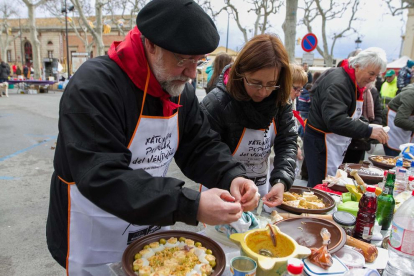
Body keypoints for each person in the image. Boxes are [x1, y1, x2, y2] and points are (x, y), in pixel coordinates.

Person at [46, 1, 259, 274]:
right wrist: (189, 205)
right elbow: (102, 174)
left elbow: (200, 145)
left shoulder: (180, 89)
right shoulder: (95, 86)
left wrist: (232, 176)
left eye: (199, 61)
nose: (193, 73)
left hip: (152, 218)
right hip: (95, 227)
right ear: (151, 45)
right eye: (183, 60)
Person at [200, 34, 298, 207]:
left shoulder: (280, 101)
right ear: (241, 72)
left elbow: (287, 141)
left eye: (271, 84)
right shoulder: (216, 103)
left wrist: (281, 180)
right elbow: (206, 152)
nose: (263, 92)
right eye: (255, 82)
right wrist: (234, 178)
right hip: (222, 189)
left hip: (261, 187)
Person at [304, 48, 389, 187]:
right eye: (371, 73)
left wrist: (369, 125)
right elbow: (335, 120)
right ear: (357, 66)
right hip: (322, 142)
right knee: (321, 186)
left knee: (329, 182)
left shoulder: (351, 81)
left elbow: (351, 114)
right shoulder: (339, 82)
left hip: (332, 141)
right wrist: (368, 130)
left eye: (377, 75)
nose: (373, 79)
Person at [382, 83, 414, 156]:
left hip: (407, 120)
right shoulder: (411, 95)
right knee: (395, 158)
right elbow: (399, 120)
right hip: (393, 122)